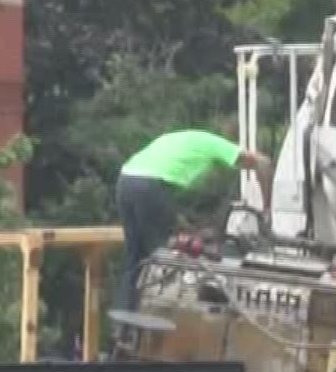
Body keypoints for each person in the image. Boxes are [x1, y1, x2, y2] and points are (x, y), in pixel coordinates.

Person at [113, 129, 271, 313]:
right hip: (151, 185)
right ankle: (159, 318)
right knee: (163, 256)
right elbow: (263, 163)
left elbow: (166, 206)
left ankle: (123, 325)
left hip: (125, 181)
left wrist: (187, 227)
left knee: (135, 257)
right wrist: (267, 208)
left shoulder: (181, 142)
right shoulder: (215, 144)